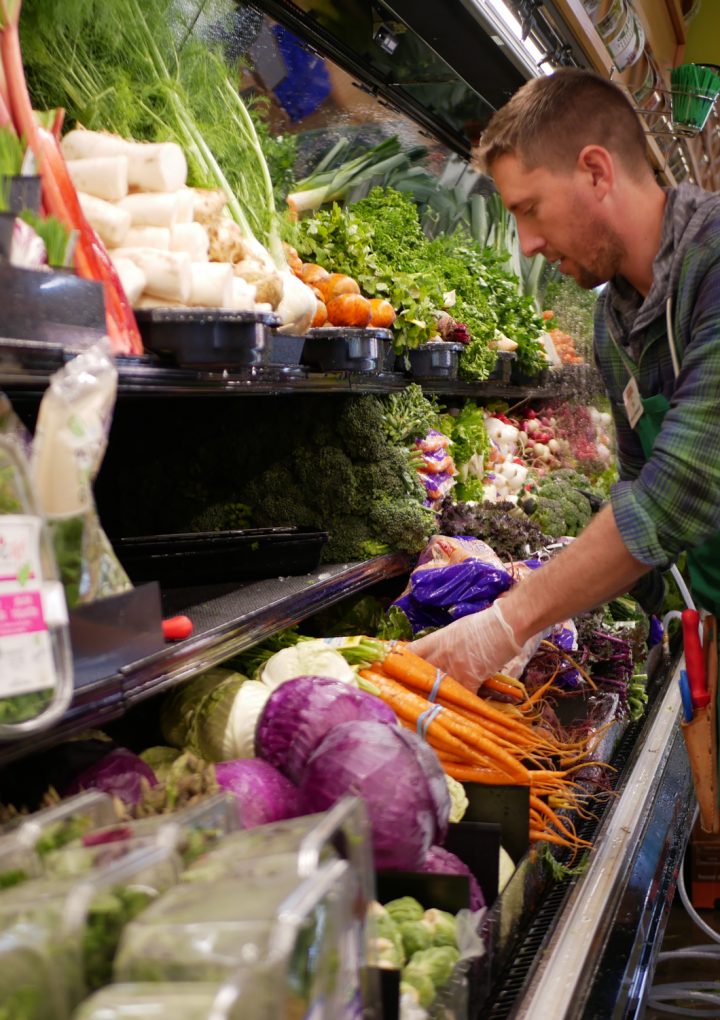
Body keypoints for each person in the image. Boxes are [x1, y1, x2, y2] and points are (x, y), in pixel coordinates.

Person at [410, 68, 720, 691]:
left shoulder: (711, 263)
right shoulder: (614, 322)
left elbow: (680, 485)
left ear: (597, 172)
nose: (525, 244)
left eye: (530, 209)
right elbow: (637, 482)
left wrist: (509, 622)